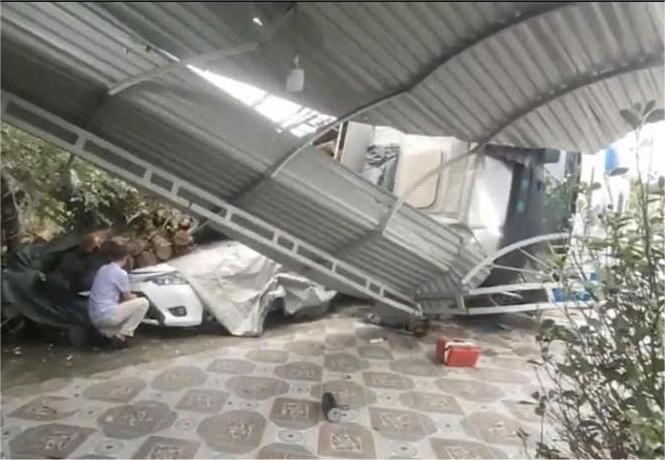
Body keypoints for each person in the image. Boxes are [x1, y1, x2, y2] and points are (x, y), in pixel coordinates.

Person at [88, 241, 149, 345]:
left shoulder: (102, 269)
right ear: (126, 257)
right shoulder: (121, 273)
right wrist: (136, 296)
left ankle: (112, 336)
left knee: (116, 325)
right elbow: (127, 297)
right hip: (108, 314)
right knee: (143, 303)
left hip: (95, 316)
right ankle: (124, 334)